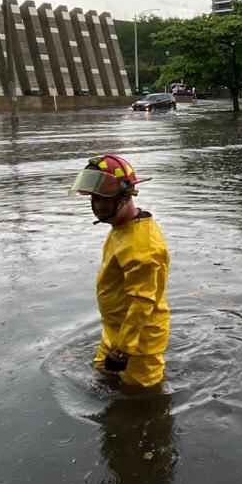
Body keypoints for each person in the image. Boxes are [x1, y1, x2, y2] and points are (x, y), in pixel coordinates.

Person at [70, 154, 171, 387]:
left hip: (139, 340)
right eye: (94, 198)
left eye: (104, 199)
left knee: (142, 394)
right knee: (102, 376)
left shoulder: (142, 246)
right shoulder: (122, 227)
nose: (97, 206)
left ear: (126, 197)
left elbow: (143, 302)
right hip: (116, 329)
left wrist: (123, 350)